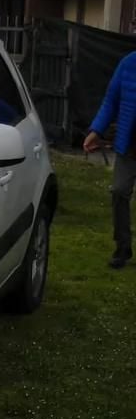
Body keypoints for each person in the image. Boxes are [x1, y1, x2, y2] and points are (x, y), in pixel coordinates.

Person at [84, 52, 136, 269]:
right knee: (119, 190)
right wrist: (96, 130)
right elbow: (111, 101)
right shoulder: (128, 63)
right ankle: (122, 247)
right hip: (129, 146)